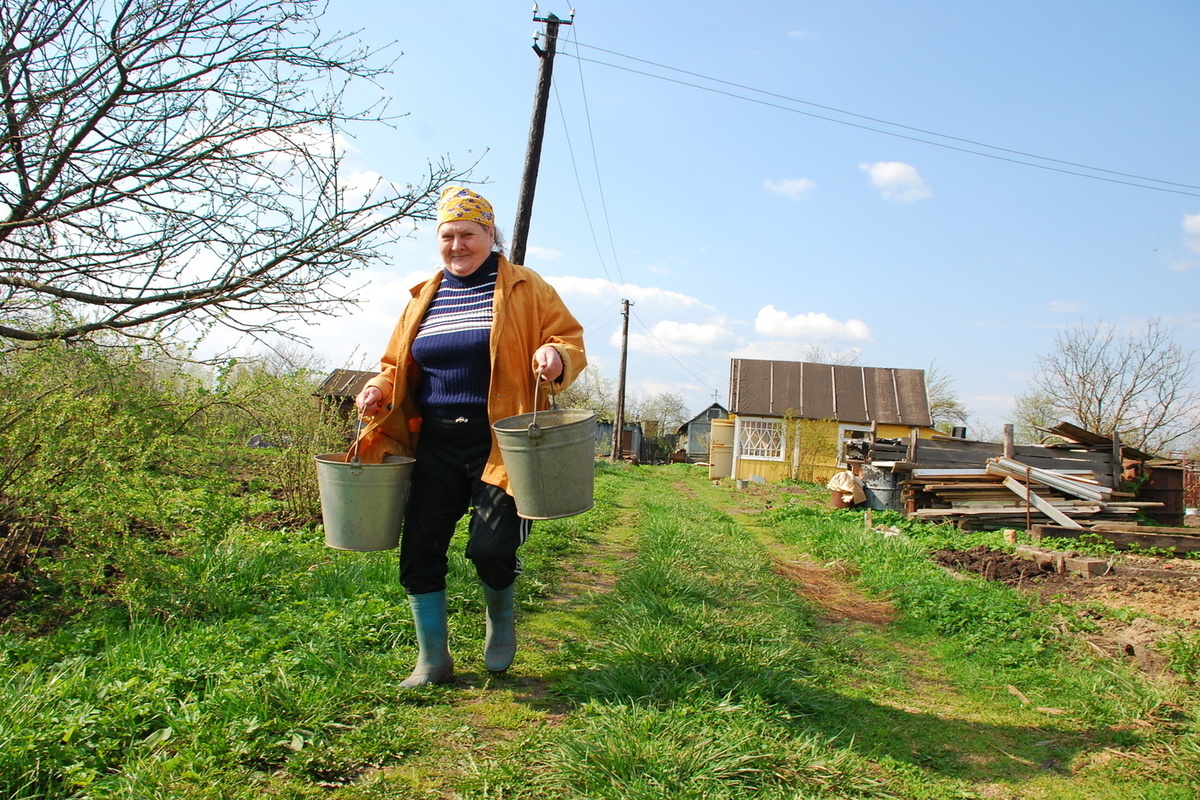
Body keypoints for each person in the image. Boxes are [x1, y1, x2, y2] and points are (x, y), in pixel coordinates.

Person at [353, 185, 586, 688]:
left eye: (469, 234)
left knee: (491, 550)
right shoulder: (423, 297)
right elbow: (395, 365)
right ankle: (433, 660)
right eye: (448, 235)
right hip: (435, 443)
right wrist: (376, 388)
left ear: (490, 235)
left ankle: (500, 619)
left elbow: (566, 337)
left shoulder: (526, 286)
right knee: (419, 550)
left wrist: (556, 355)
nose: (458, 245)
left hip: (503, 445)